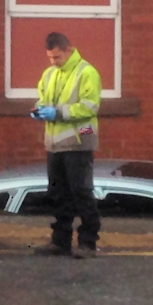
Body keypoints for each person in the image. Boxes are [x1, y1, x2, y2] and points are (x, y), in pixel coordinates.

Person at [31, 32, 102, 259]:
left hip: (79, 141)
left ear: (68, 50)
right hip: (55, 144)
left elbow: (89, 107)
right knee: (58, 194)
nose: (53, 61)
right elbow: (43, 97)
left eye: (57, 57)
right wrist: (39, 110)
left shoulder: (87, 72)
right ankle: (60, 241)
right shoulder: (50, 74)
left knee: (81, 192)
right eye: (50, 57)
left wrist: (58, 112)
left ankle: (88, 243)